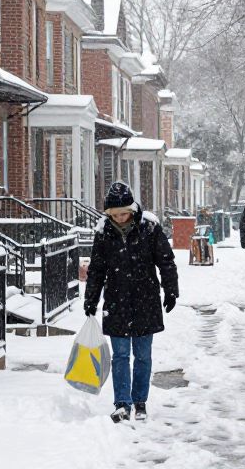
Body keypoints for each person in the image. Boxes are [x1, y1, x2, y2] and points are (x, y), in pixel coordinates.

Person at [84, 181, 179, 423]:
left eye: (123, 213)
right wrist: (91, 298)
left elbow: (165, 261)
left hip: (146, 300)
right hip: (116, 301)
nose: (120, 218)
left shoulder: (149, 228)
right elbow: (97, 269)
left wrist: (171, 290)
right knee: (120, 355)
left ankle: (140, 401)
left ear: (132, 209)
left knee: (143, 355)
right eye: (115, 215)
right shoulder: (104, 232)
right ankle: (122, 404)